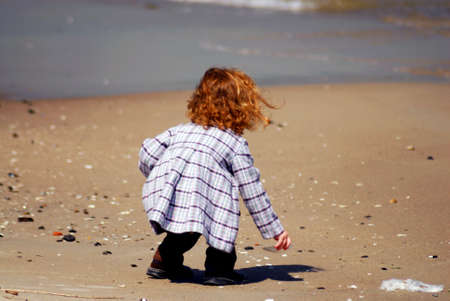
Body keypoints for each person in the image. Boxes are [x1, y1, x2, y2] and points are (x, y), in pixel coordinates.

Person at [138, 67, 291, 286]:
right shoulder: (234, 143)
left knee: (184, 230)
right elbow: (251, 189)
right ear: (243, 108)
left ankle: (163, 262)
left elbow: (147, 152)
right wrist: (275, 229)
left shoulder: (180, 130)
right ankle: (219, 270)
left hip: (173, 190)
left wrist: (161, 176)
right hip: (211, 197)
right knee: (221, 223)